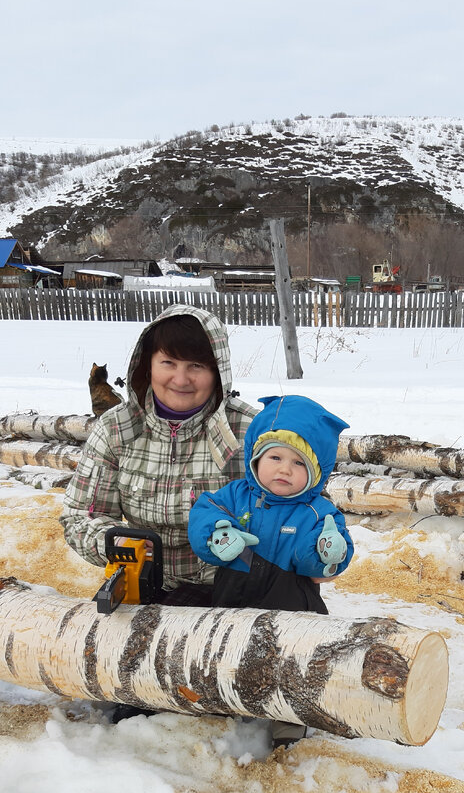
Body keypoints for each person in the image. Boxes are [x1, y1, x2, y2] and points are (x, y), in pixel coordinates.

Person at [61, 304, 257, 720]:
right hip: (143, 585)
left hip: (230, 587)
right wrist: (114, 544)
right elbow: (80, 514)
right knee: (130, 688)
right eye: (168, 363)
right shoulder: (117, 428)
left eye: (196, 366)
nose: (180, 379)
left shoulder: (247, 431)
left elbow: (293, 503)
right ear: (147, 364)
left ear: (218, 371)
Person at [188, 394, 354, 745]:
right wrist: (217, 532)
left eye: (298, 463)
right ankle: (229, 699)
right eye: (275, 457)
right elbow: (204, 512)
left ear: (316, 472)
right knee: (229, 648)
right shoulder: (235, 495)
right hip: (234, 593)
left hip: (289, 602)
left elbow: (321, 564)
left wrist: (328, 550)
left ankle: (288, 718)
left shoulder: (317, 512)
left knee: (290, 659)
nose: (284, 469)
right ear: (256, 457)